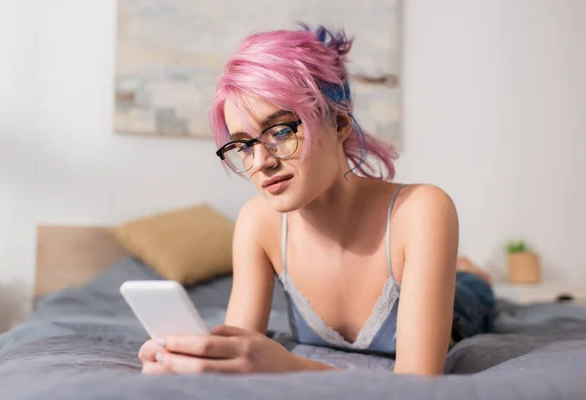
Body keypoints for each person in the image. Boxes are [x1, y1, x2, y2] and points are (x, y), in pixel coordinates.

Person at [138, 24, 495, 377]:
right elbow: (242, 348)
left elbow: (416, 382)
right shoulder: (257, 223)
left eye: (280, 131)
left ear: (339, 123)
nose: (261, 161)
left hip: (462, 306)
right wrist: (189, 360)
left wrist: (292, 367)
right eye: (243, 145)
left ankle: (471, 272)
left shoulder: (421, 210)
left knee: (472, 286)